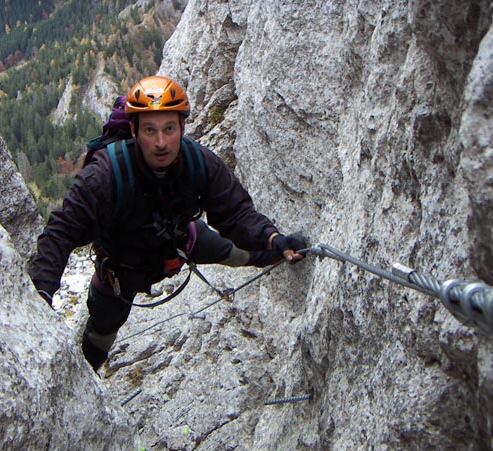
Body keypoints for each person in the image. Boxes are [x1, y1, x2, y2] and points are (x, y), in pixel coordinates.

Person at [28, 75, 306, 372]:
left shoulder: (198, 162)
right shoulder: (105, 174)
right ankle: (83, 379)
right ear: (134, 131)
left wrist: (272, 237)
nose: (161, 142)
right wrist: (40, 295)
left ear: (182, 128)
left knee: (242, 253)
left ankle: (280, 252)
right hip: (122, 270)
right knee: (102, 332)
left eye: (169, 129)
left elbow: (235, 213)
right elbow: (62, 231)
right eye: (150, 130)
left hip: (182, 242)